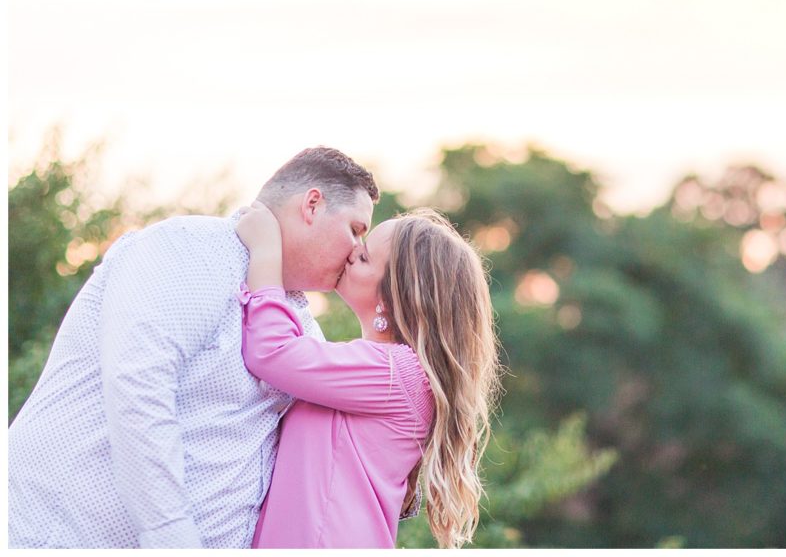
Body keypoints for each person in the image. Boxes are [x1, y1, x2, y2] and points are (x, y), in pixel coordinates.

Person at [7, 146, 379, 549]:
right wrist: (173, 538)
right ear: (312, 205)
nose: (358, 249)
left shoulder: (301, 325)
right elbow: (138, 387)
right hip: (58, 538)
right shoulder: (188, 249)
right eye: (356, 229)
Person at [234, 203, 501, 548]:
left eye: (363, 258)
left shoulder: (396, 373)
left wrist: (266, 253)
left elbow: (273, 352)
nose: (350, 253)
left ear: (392, 299)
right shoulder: (387, 372)